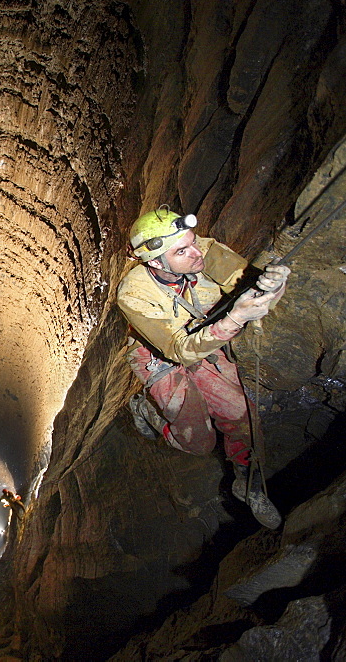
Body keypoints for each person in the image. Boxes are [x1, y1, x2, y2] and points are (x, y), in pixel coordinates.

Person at [117, 206, 290, 529]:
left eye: (193, 242)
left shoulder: (206, 253)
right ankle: (145, 408)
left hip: (206, 340)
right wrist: (236, 318)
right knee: (199, 443)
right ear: (155, 261)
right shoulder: (133, 294)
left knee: (243, 415)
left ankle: (248, 483)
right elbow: (179, 351)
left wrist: (272, 286)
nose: (197, 253)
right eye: (182, 251)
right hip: (161, 356)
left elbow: (253, 290)